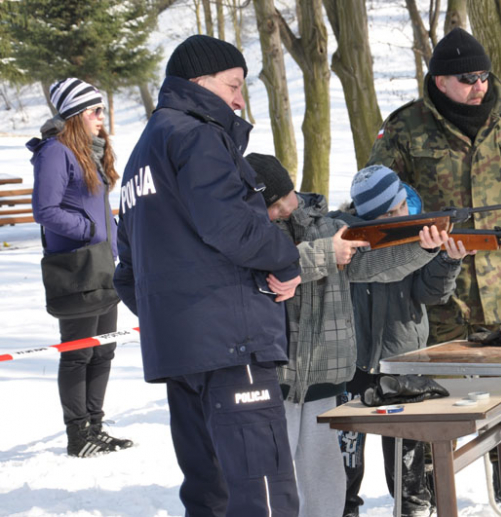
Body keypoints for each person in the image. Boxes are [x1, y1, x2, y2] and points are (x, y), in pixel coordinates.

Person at [367, 27, 501, 512]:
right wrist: (417, 241)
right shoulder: (405, 127)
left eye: (484, 75)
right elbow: (378, 202)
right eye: (467, 78)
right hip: (436, 287)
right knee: (429, 388)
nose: (479, 84)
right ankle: (423, 476)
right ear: (439, 82)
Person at [113, 36, 301, 516]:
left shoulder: (140, 158)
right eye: (233, 85)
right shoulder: (197, 134)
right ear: (198, 83)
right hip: (231, 344)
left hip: (182, 355)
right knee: (262, 492)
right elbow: (232, 226)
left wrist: (180, 317)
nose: (239, 99)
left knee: (209, 494)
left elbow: (128, 275)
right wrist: (285, 258)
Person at [246, 154, 451, 517]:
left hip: (326, 381)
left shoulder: (329, 226)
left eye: (283, 199)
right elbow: (269, 273)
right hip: (274, 378)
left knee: (327, 489)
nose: (279, 210)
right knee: (273, 489)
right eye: (270, 205)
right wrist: (327, 254)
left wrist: (426, 248)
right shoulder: (253, 233)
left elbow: (373, 265)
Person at [333, 166, 469, 517]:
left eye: (398, 209)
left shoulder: (419, 231)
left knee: (408, 460)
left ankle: (413, 508)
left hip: (404, 359)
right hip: (353, 361)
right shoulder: (346, 239)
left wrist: (447, 261)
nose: (397, 217)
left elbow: (430, 294)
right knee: (346, 459)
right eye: (387, 214)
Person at [28, 78, 133, 458]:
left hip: (105, 266)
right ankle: (78, 435)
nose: (101, 118)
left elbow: (101, 209)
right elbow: (46, 210)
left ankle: (96, 427)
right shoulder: (56, 152)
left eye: (101, 110)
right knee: (78, 353)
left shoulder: (90, 151)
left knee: (104, 349)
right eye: (94, 111)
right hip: (76, 268)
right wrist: (89, 231)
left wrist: (119, 243)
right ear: (75, 115)